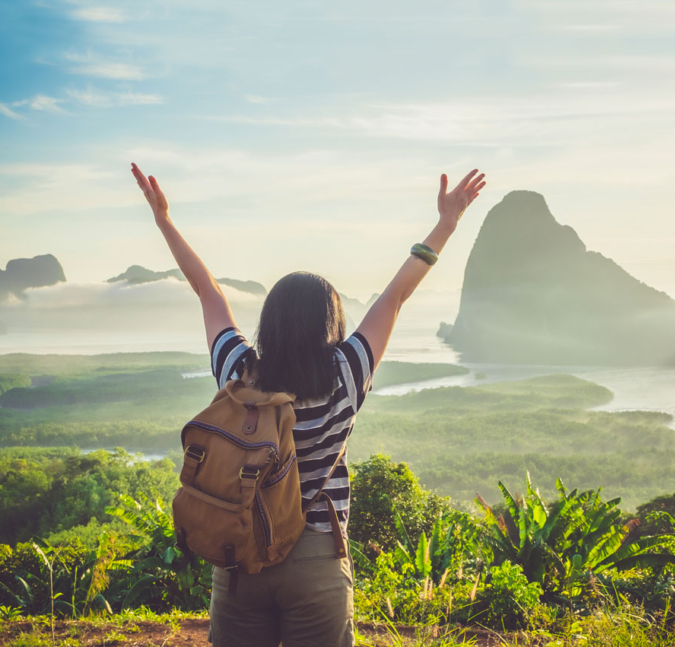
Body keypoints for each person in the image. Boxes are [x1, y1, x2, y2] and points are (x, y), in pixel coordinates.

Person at [130, 162, 486, 647]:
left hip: (241, 556)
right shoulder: (346, 372)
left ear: (269, 323)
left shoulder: (240, 374)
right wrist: (446, 224)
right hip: (317, 558)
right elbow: (397, 295)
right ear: (331, 322)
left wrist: (164, 222)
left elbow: (206, 291)